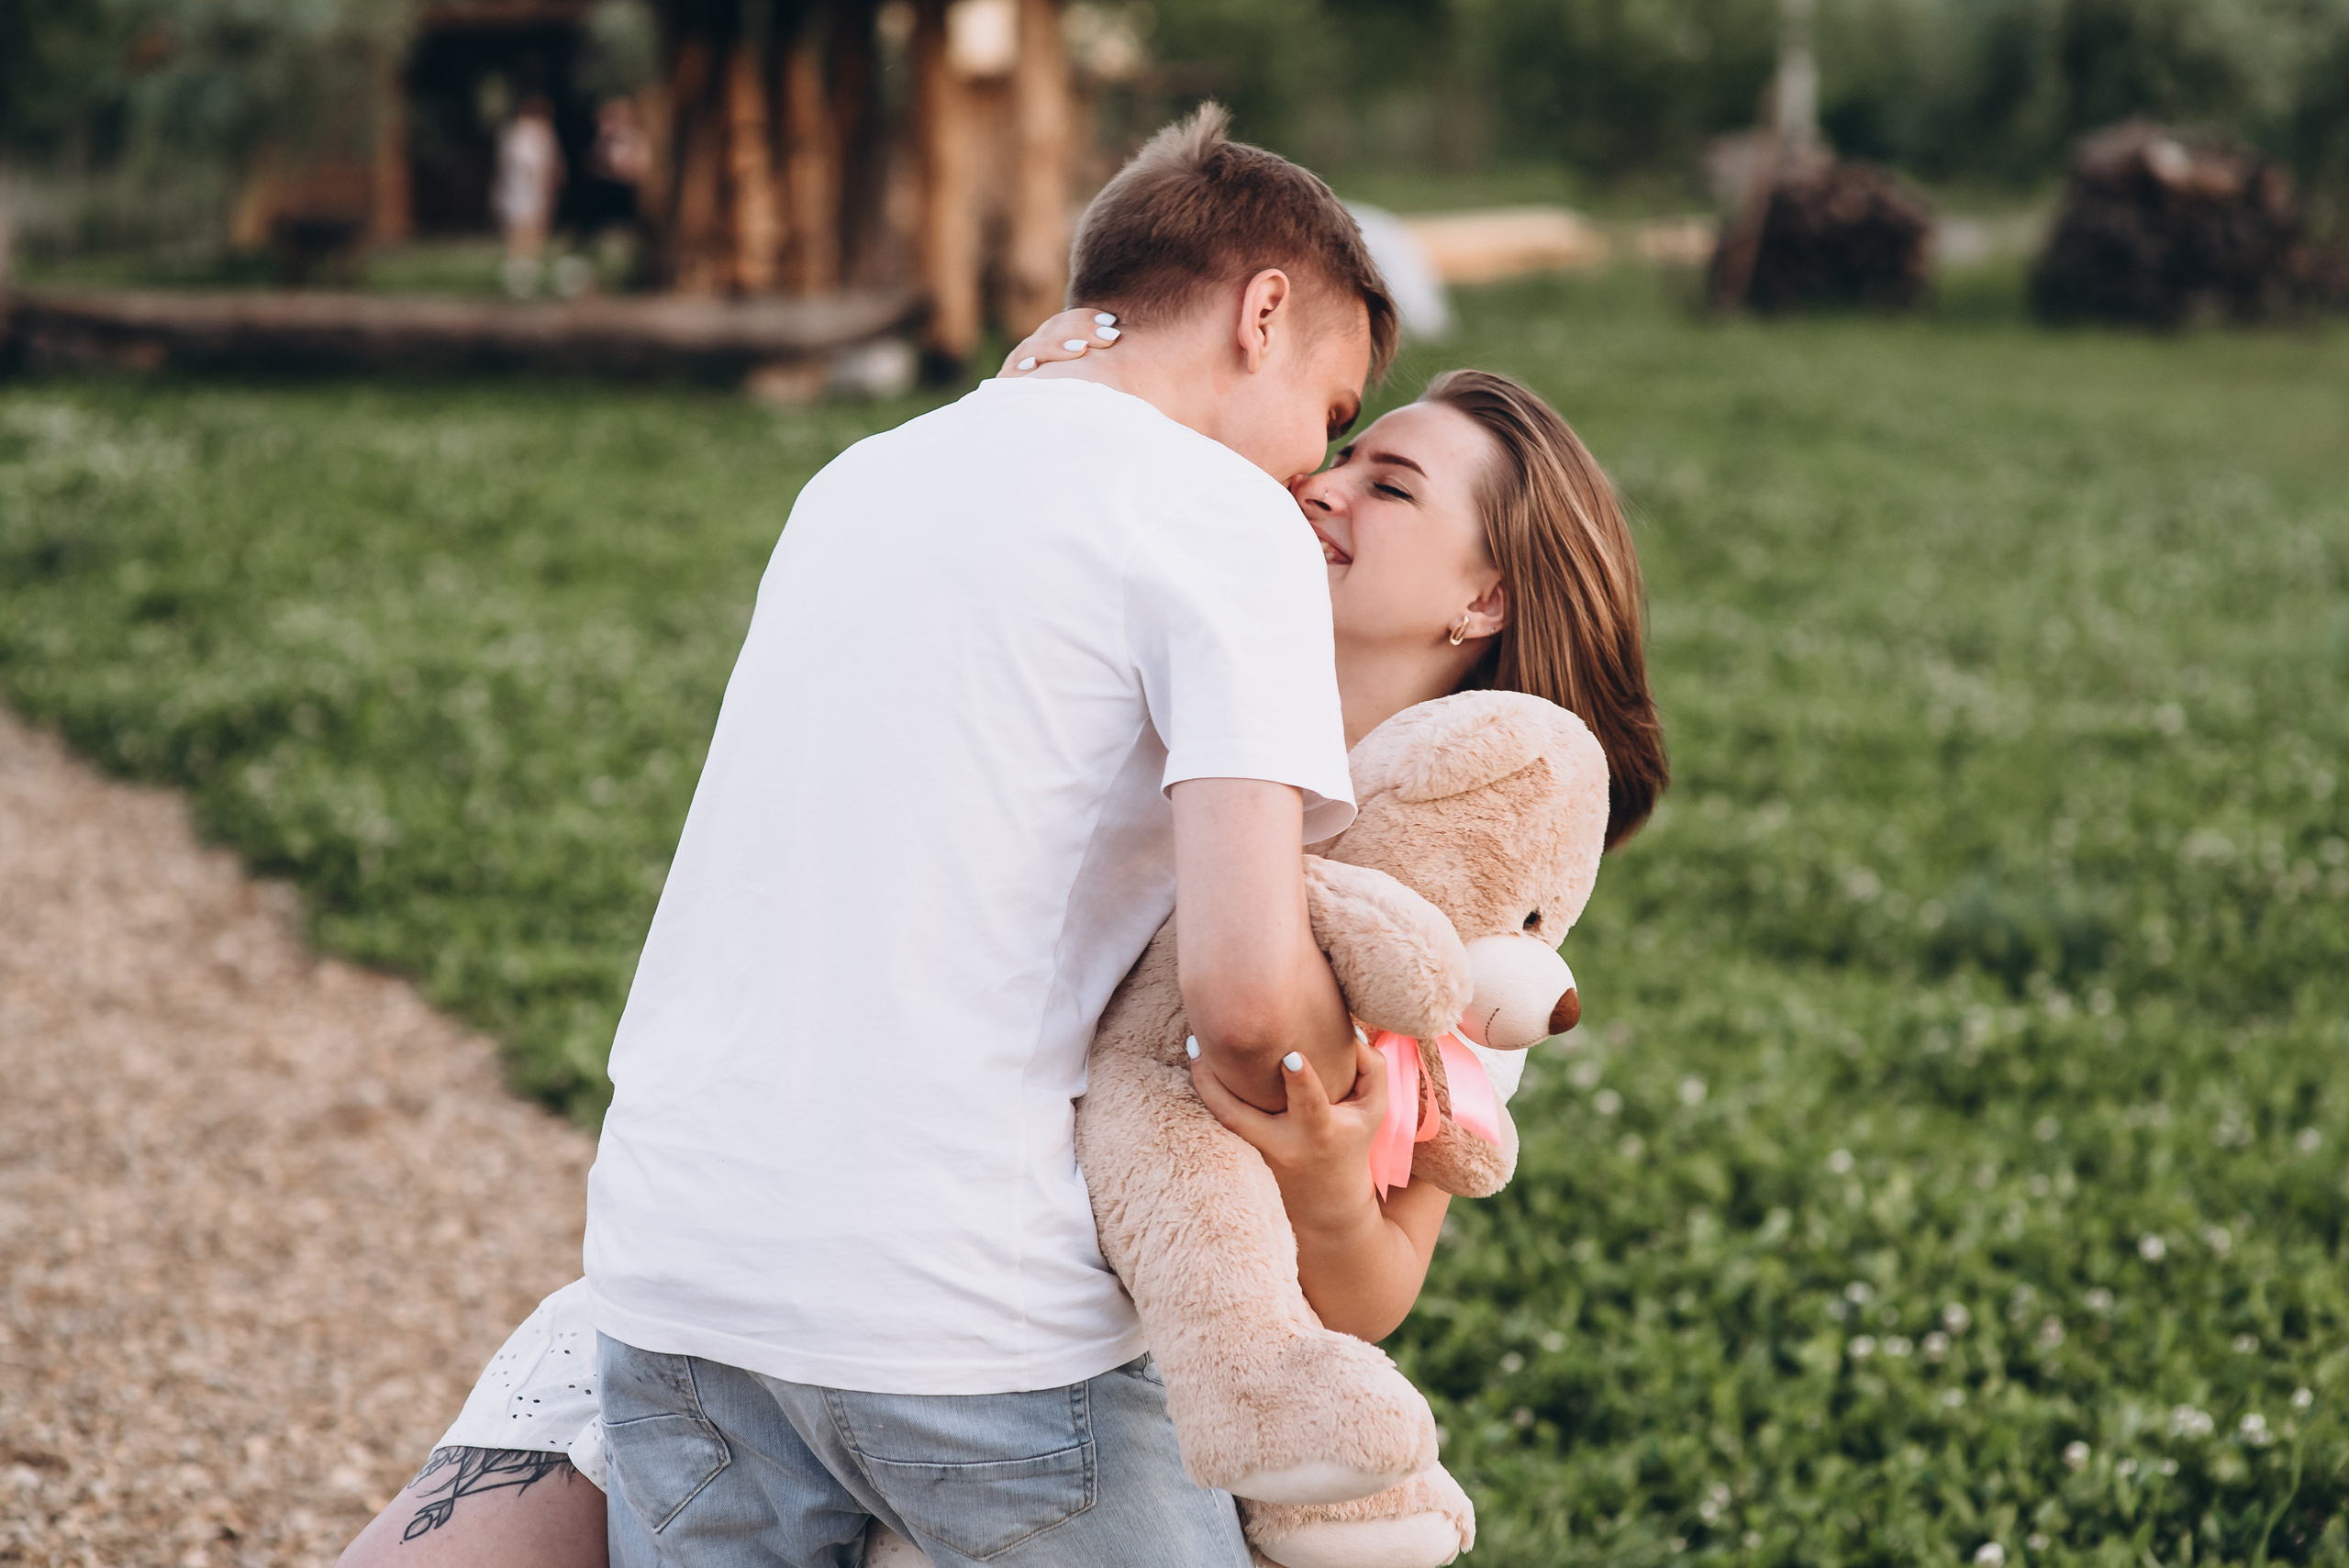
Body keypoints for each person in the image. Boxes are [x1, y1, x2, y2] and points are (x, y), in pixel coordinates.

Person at [338, 110, 1666, 1568]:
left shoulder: (1469, 869)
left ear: (1486, 600)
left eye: (1381, 474)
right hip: (961, 1319)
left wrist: (1335, 1162)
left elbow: (1368, 1287)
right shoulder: (1197, 537)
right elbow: (1241, 1009)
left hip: (693, 1270)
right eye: (1337, 425)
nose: (1317, 472)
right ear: (1263, 314)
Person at [495, 95, 565, 298]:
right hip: (531, 190)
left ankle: (519, 276)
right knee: (533, 233)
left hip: (514, 190)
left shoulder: (511, 132)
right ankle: (527, 276)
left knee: (518, 233)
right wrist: (550, 190)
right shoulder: (541, 133)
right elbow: (549, 167)